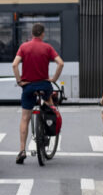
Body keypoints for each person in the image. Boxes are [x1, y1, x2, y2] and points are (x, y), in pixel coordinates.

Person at [12, 22, 64, 164]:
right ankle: (47, 131)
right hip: (44, 85)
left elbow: (14, 64)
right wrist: (54, 79)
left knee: (25, 118)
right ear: (43, 34)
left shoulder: (24, 47)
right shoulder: (47, 47)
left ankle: (22, 150)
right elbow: (60, 63)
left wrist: (19, 81)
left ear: (32, 33)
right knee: (50, 108)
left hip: (28, 86)